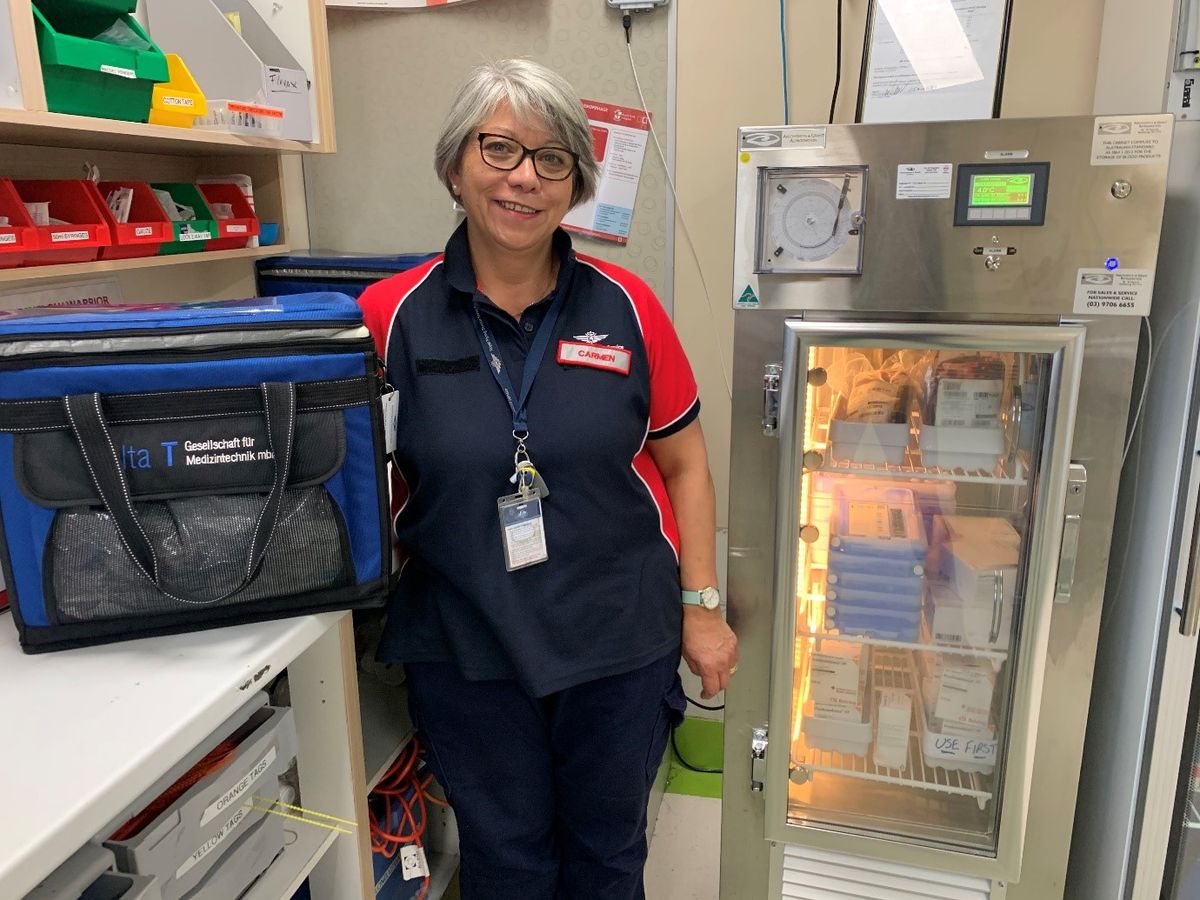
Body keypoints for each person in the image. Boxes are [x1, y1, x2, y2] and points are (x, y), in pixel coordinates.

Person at [356, 58, 738, 899]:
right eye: (499, 150)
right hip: (468, 648)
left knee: (606, 859)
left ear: (575, 186)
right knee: (507, 864)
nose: (524, 177)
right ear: (456, 167)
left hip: (616, 642)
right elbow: (362, 487)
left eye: (552, 158)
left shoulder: (628, 307)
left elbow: (686, 464)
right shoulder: (389, 317)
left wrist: (702, 610)